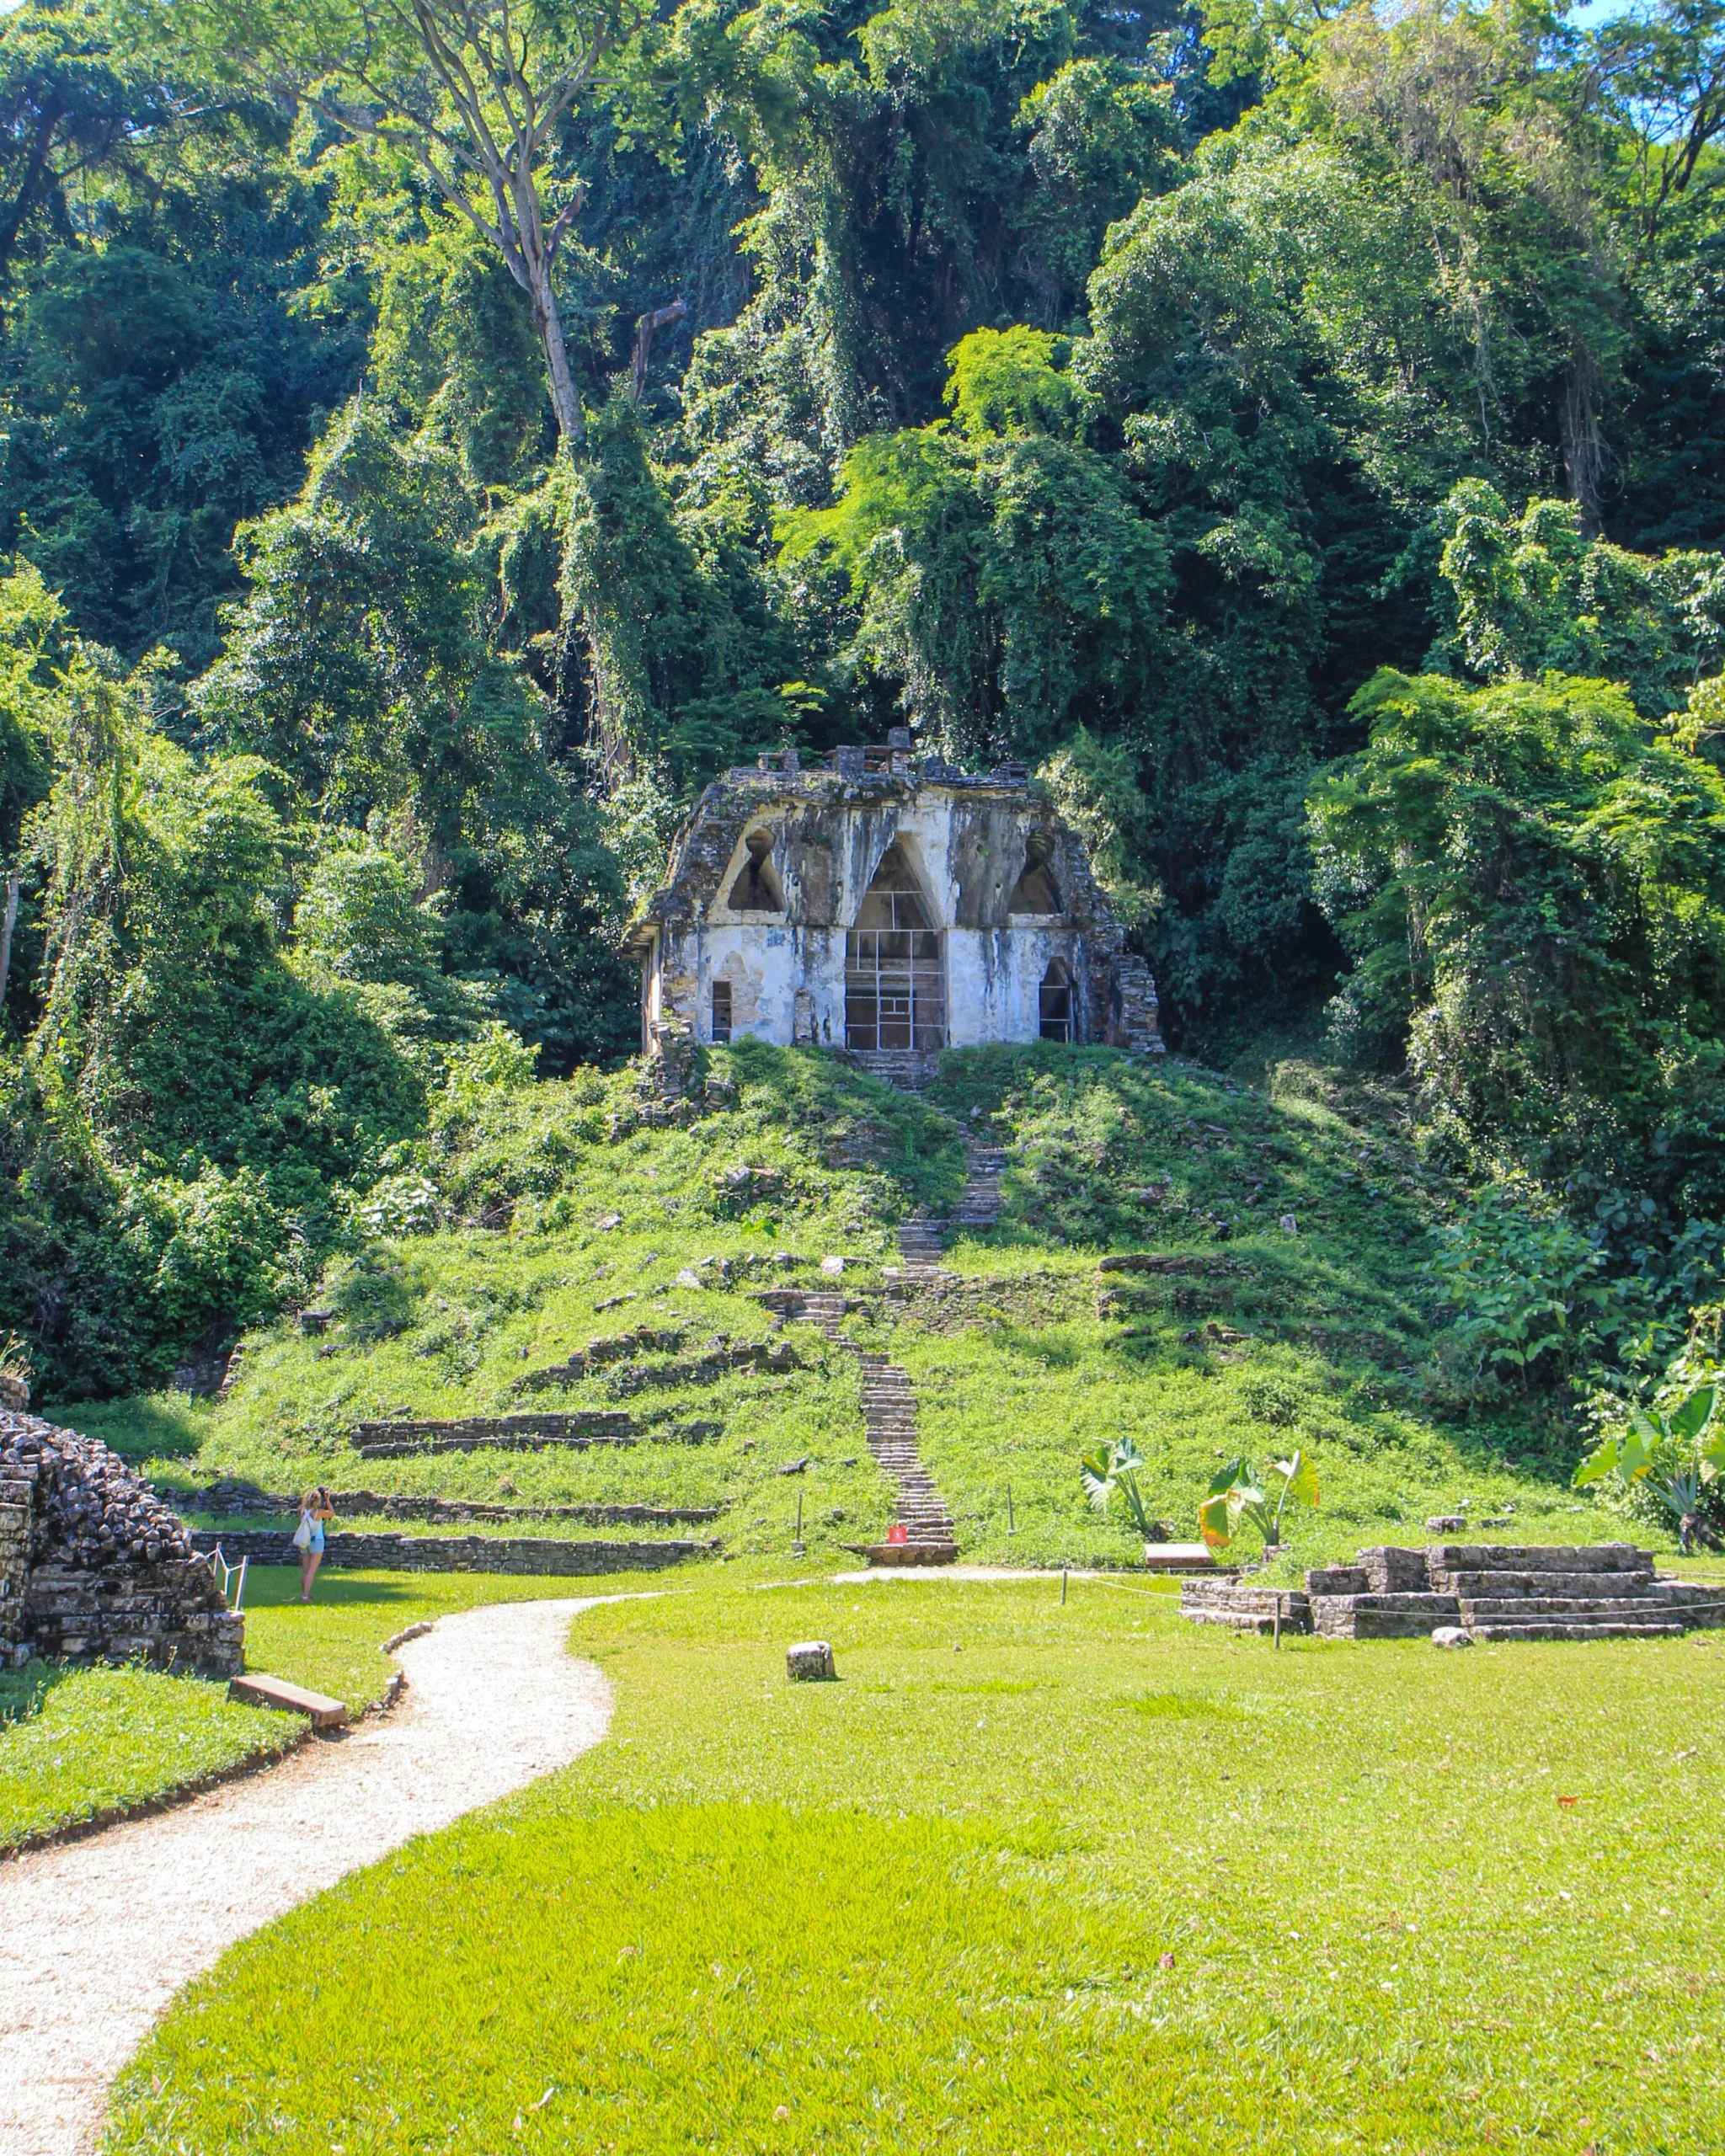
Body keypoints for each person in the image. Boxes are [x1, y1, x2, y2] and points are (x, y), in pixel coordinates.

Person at [296, 1486, 334, 1603]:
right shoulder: (318, 1512)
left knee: (306, 1571)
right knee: (312, 1571)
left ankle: (305, 1594)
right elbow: (331, 1514)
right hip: (316, 1541)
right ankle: (306, 1596)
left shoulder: (302, 1511)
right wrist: (328, 1501)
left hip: (305, 1541)